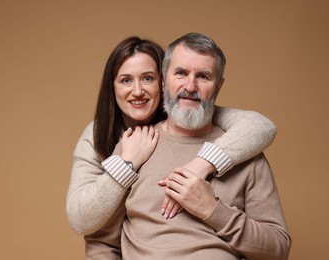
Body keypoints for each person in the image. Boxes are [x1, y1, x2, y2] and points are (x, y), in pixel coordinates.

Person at [85, 32, 291, 259]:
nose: (190, 86)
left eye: (203, 76)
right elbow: (102, 243)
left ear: (218, 86)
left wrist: (213, 210)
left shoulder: (245, 154)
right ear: (164, 80)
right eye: (181, 73)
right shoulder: (133, 147)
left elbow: (277, 249)